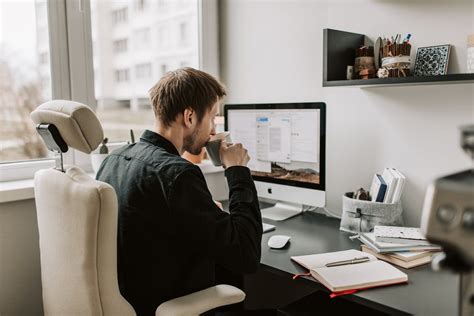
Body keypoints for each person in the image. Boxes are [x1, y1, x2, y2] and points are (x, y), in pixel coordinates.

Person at [96, 67, 262, 315]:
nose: (213, 132)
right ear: (190, 117)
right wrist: (237, 170)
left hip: (131, 300)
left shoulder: (114, 159)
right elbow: (246, 254)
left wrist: (205, 212)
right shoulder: (178, 173)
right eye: (212, 118)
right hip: (167, 303)